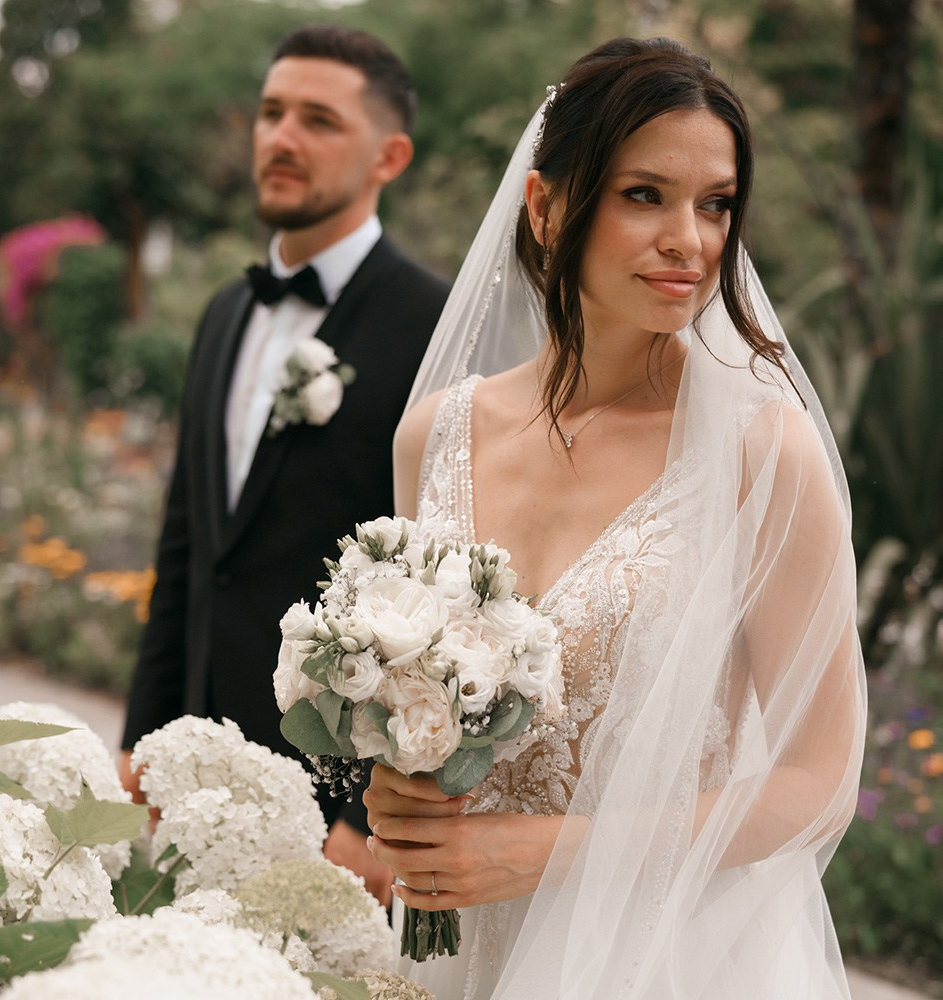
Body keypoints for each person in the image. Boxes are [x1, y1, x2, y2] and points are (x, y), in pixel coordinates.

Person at [365, 37, 866, 999]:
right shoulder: (437, 436)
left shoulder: (762, 453)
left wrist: (552, 853)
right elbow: (418, 704)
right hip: (454, 944)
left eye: (714, 203)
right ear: (547, 206)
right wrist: (405, 785)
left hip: (666, 954)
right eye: (646, 195)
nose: (691, 239)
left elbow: (816, 784)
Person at [118, 23, 450, 904]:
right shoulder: (223, 313)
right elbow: (189, 546)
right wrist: (143, 735)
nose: (281, 138)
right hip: (196, 772)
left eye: (317, 120)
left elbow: (435, 595)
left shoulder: (434, 329)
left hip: (335, 810)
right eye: (270, 114)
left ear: (390, 155)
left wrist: (369, 819)